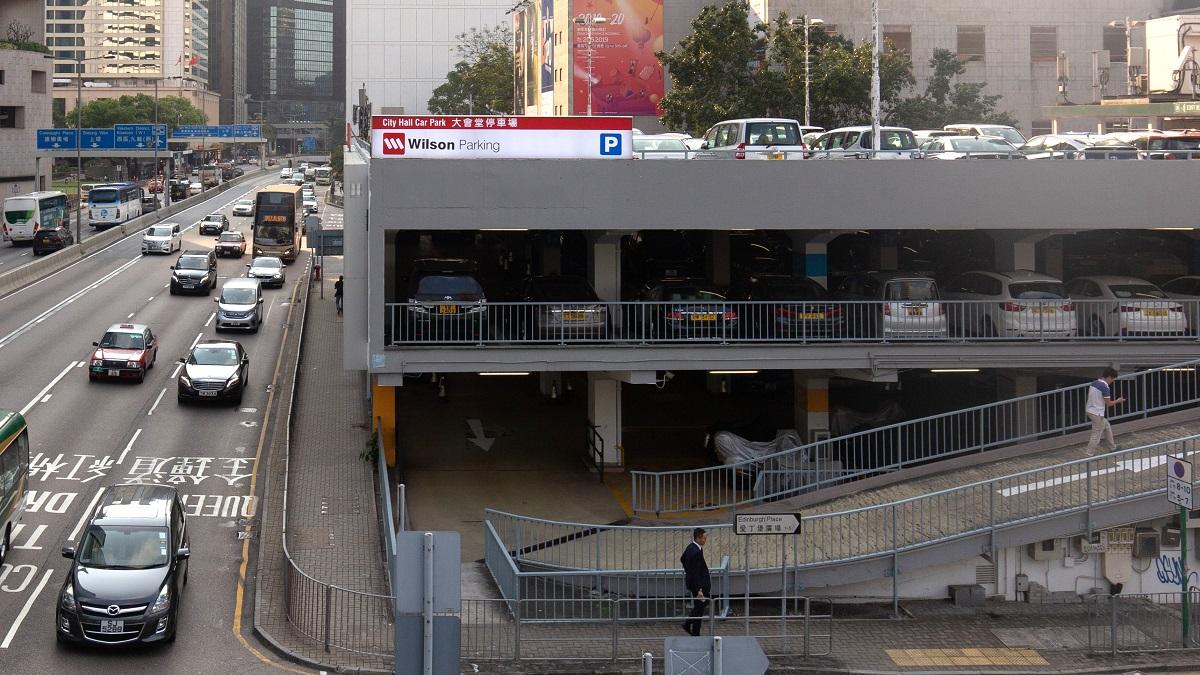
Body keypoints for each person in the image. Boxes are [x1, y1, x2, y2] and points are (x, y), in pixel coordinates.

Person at [1086, 367, 1124, 455]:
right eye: (1113, 379)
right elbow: (1109, 403)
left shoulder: (1095, 383)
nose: (1112, 381)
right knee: (1096, 433)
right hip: (1097, 413)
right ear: (1109, 377)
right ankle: (1089, 453)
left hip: (1090, 409)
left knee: (1107, 426)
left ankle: (1112, 447)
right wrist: (1118, 401)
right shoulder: (1105, 387)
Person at [680, 527, 710, 636]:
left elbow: (682, 559)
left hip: (694, 584)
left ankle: (694, 630)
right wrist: (699, 590)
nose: (705, 540)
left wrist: (688, 570)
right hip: (698, 586)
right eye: (704, 538)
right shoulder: (696, 552)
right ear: (698, 538)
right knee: (700, 607)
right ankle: (689, 625)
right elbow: (697, 573)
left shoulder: (691, 548)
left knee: (700, 607)